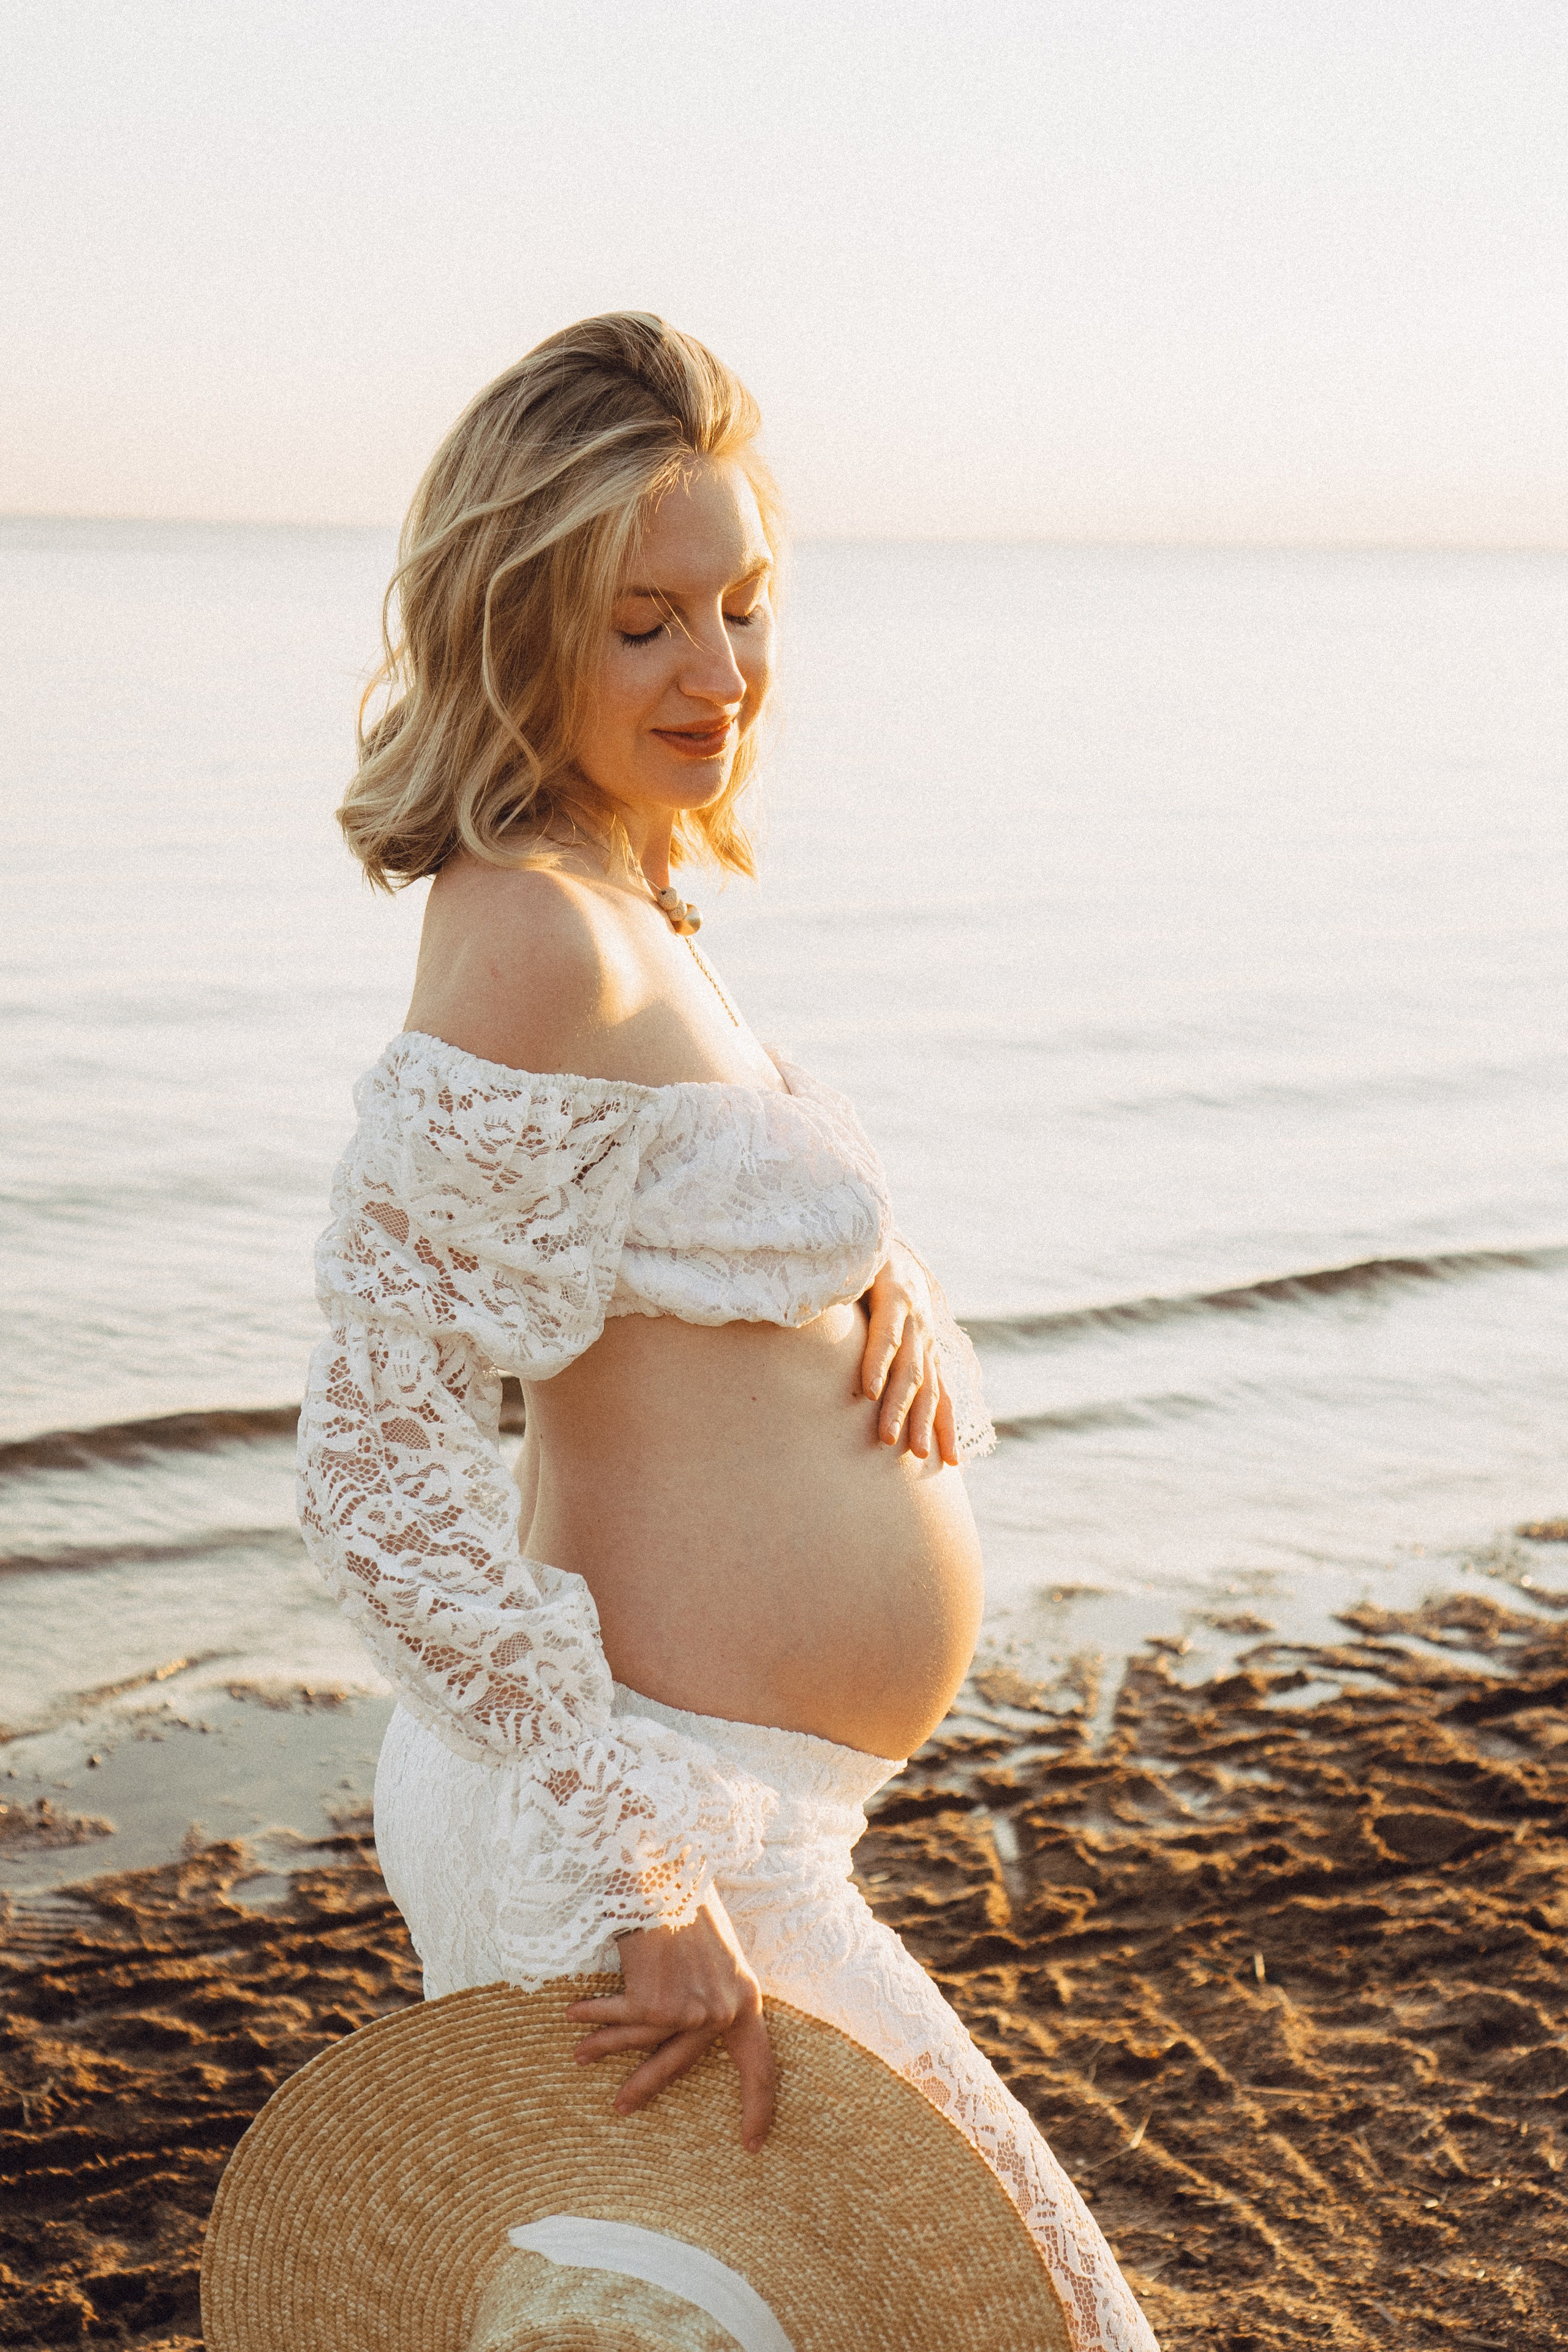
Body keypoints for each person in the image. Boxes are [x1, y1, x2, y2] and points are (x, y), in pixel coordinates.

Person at [298, 312, 1157, 2352]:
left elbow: (666, 1230)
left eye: (745, 607)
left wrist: (884, 1289)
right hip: (656, 1834)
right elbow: (379, 1471)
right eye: (643, 625)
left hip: (742, 1820)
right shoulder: (524, 926)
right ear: (522, 636)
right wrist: (638, 1874)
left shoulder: (633, 906)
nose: (719, 674)